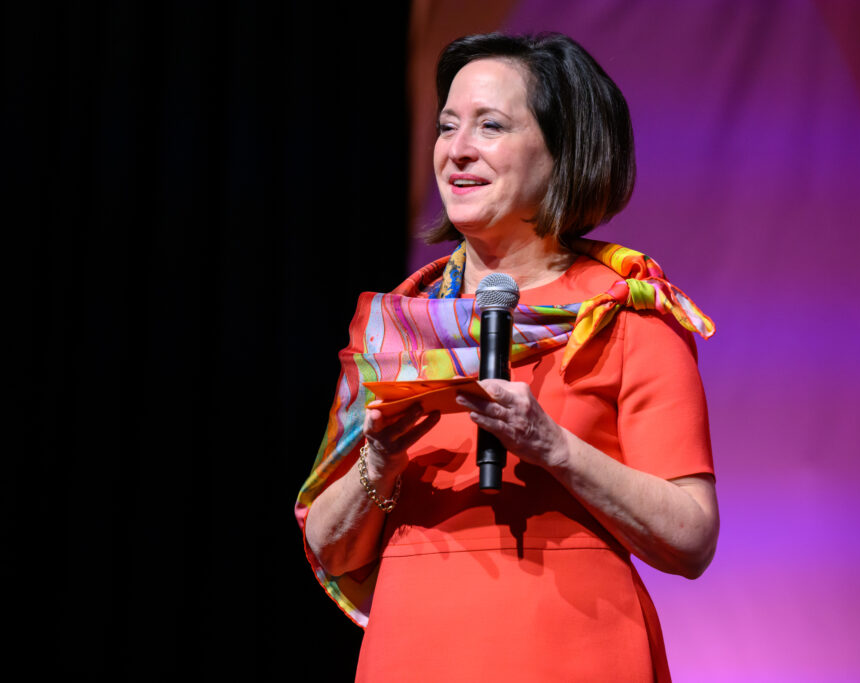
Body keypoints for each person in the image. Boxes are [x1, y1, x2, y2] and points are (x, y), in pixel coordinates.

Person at [296, 32, 719, 682]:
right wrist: (375, 464)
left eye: (490, 125)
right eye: (446, 126)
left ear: (563, 150)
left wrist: (555, 448)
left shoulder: (626, 310)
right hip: (414, 648)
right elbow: (326, 542)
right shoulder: (399, 324)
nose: (456, 149)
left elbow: (690, 536)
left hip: (575, 646)